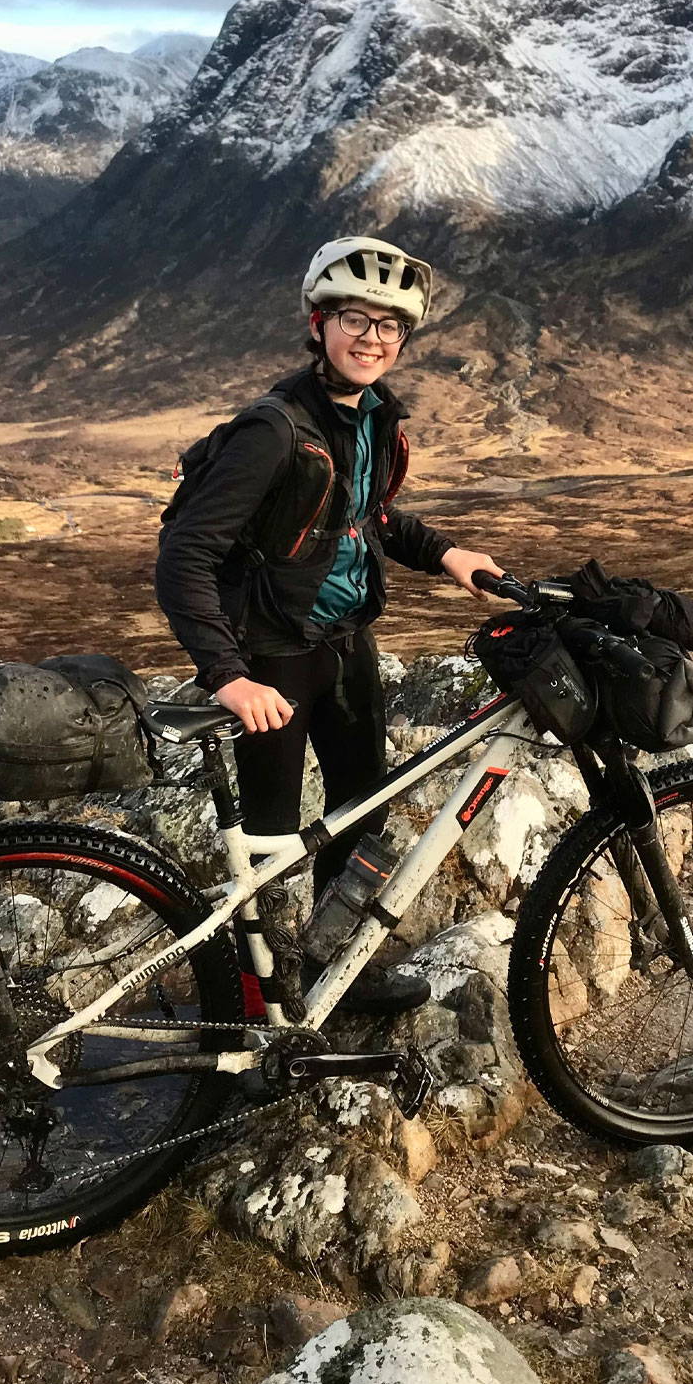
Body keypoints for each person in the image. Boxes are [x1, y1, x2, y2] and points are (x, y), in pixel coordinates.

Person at [154, 236, 504, 1013]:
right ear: (318, 324)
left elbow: (364, 516)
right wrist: (228, 674)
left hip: (347, 646)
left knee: (358, 810)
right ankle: (254, 999)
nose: (371, 338)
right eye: (355, 318)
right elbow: (184, 556)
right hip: (273, 658)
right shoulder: (272, 430)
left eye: (389, 326)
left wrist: (447, 553)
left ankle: (339, 975)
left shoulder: (375, 419)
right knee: (273, 839)